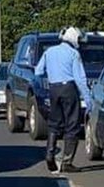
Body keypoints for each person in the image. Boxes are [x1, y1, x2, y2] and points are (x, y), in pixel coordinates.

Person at [35, 27, 91, 173]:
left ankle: (49, 154)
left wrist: (51, 76)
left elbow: (38, 71)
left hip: (53, 89)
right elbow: (80, 79)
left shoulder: (49, 52)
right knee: (72, 125)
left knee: (54, 124)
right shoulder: (74, 54)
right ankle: (67, 162)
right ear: (74, 39)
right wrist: (88, 100)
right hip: (69, 89)